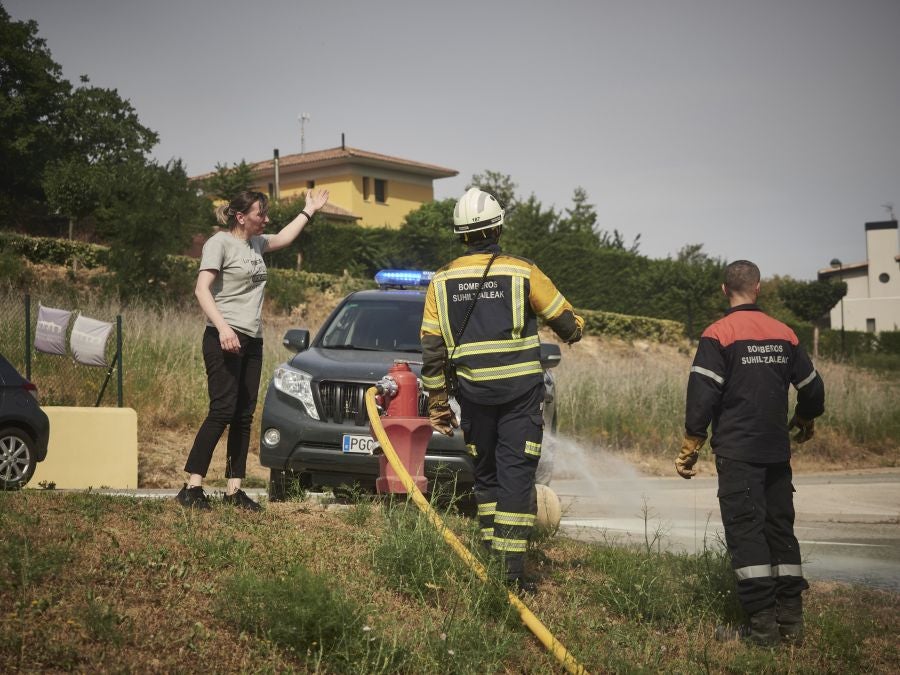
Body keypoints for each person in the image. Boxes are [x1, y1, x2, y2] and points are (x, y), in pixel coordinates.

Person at [420, 188, 584, 591]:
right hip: (519, 398)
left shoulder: (441, 281)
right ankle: (510, 574)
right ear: (498, 227)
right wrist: (577, 326)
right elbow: (567, 325)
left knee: (488, 475)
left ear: (460, 234)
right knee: (515, 476)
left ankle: (493, 557)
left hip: (473, 397)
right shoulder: (522, 271)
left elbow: (431, 350)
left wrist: (438, 405)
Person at [676, 260, 825, 646]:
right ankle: (791, 623)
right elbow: (812, 388)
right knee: (780, 530)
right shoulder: (785, 334)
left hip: (738, 454)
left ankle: (761, 631)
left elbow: (702, 395)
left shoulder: (718, 334)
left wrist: (693, 441)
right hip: (777, 452)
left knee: (748, 536)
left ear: (725, 291)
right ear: (757, 289)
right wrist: (805, 418)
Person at [176, 188, 329, 511]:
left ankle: (234, 490)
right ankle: (192, 487)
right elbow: (201, 289)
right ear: (242, 216)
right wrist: (223, 328)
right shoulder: (219, 243)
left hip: (252, 339)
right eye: (261, 214)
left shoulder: (256, 244)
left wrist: (309, 211)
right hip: (223, 338)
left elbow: (285, 238)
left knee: (244, 416)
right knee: (221, 411)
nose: (266, 219)